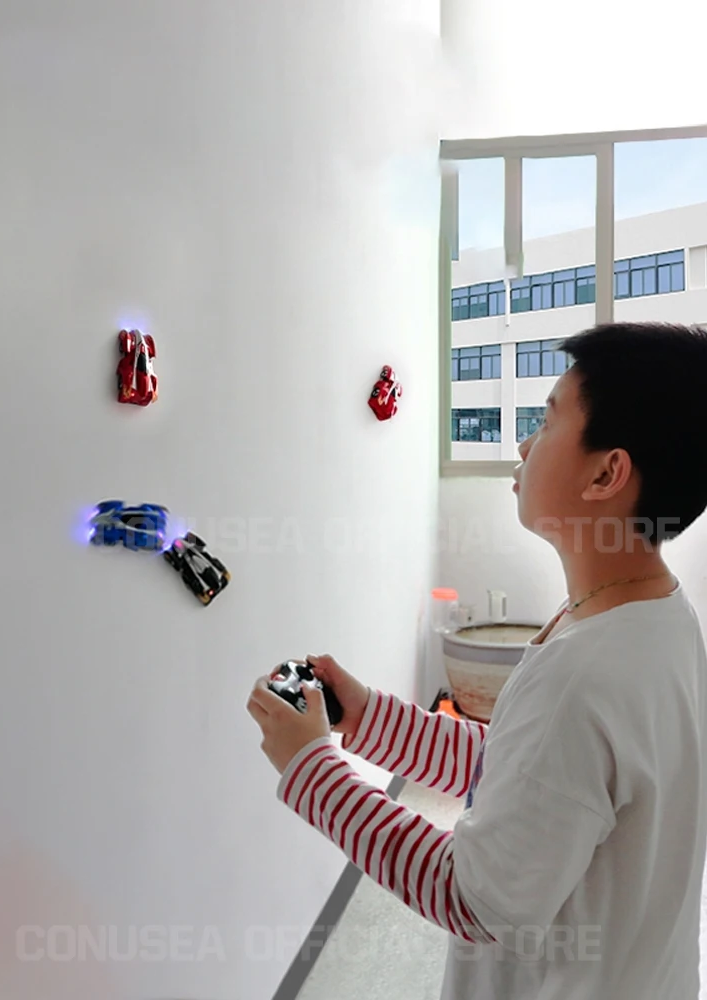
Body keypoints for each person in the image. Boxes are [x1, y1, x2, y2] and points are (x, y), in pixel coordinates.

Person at [246, 321, 707, 998]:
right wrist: (369, 719)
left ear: (607, 473)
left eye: (547, 422)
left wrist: (311, 768)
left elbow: (473, 898)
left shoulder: (582, 676)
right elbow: (525, 774)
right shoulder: (655, 614)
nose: (524, 444)